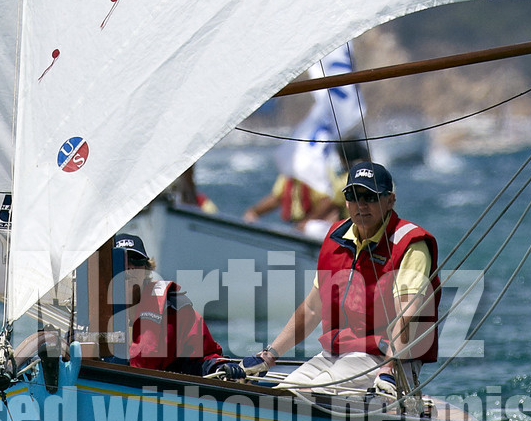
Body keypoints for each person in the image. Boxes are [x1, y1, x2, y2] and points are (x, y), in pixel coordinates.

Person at [249, 160, 438, 398]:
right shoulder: (335, 237)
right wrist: (269, 356)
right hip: (335, 352)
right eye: (352, 195)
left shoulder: (410, 244)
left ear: (390, 200)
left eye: (370, 196)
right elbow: (311, 308)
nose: (361, 204)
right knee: (283, 393)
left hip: (383, 357)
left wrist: (389, 368)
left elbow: (407, 315)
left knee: (310, 395)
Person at [113, 233, 225, 375]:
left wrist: (220, 367)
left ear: (146, 269)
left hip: (158, 390)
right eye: (120, 260)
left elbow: (206, 355)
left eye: (136, 260)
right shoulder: (89, 314)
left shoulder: (174, 309)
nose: (129, 267)